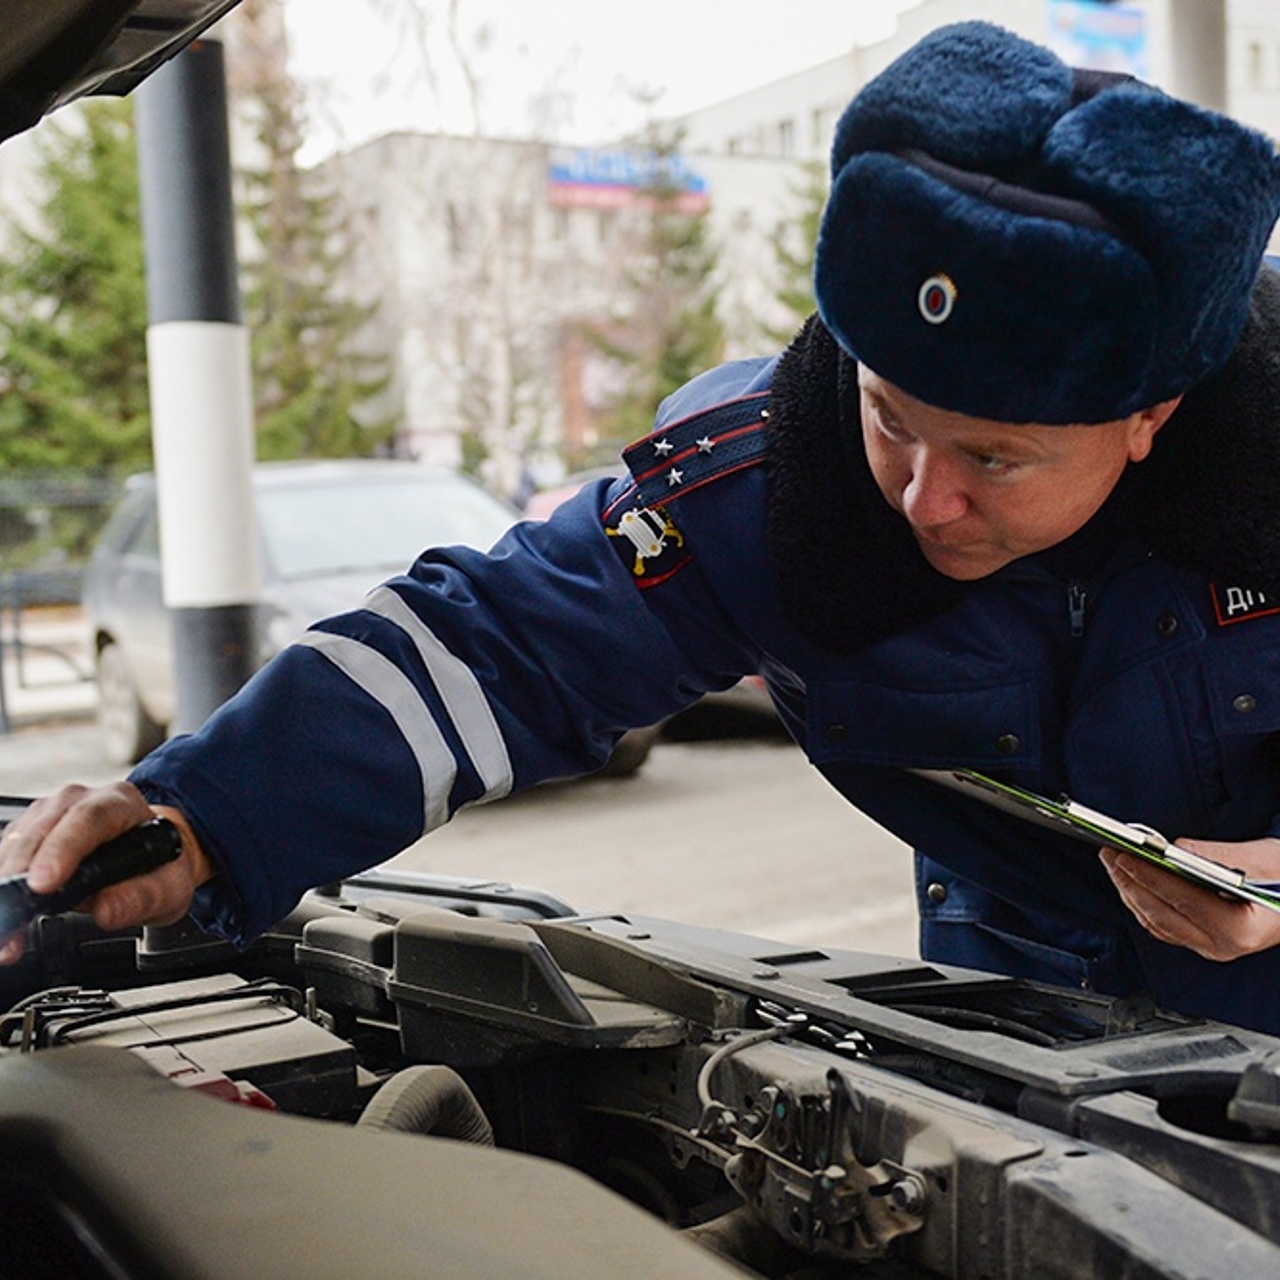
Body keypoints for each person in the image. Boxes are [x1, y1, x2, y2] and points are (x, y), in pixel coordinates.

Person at [6, 20, 1280, 1033]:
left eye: (995, 457)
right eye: (894, 417)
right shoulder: (771, 483)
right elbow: (496, 646)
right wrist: (205, 816)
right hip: (1014, 1017)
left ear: (1148, 413)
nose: (918, 498)